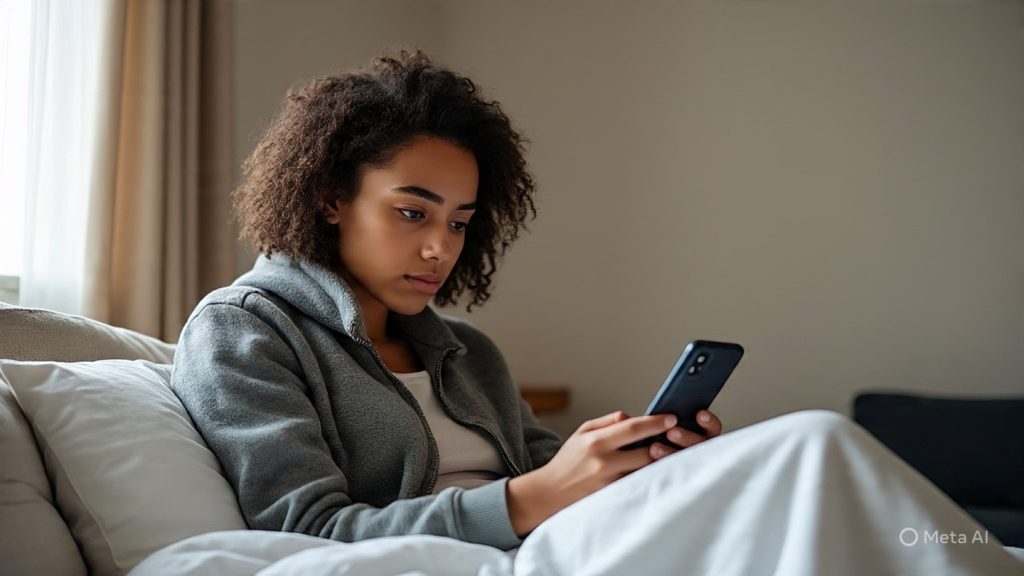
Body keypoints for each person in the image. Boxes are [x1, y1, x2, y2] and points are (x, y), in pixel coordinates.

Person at [171, 49, 1021, 574]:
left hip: (561, 541)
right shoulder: (245, 330)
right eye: (411, 211)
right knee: (814, 441)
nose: (441, 248)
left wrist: (640, 463)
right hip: (484, 556)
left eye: (461, 223)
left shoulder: (467, 353)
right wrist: (529, 501)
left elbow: (554, 474)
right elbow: (304, 528)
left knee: (803, 475)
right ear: (328, 196)